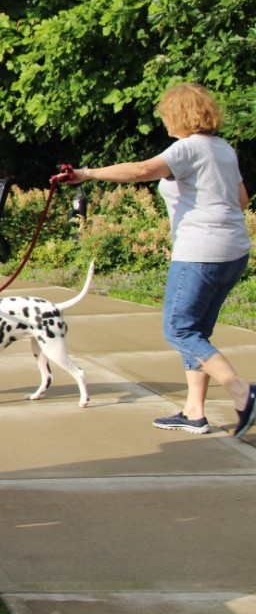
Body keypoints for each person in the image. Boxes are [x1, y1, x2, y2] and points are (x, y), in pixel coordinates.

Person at [70, 83, 255, 438]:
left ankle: (241, 392)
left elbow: (141, 171)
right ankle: (194, 411)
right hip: (233, 252)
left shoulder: (187, 148)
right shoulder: (223, 149)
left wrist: (87, 174)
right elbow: (241, 199)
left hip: (200, 253)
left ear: (178, 115)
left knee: (179, 330)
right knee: (197, 332)